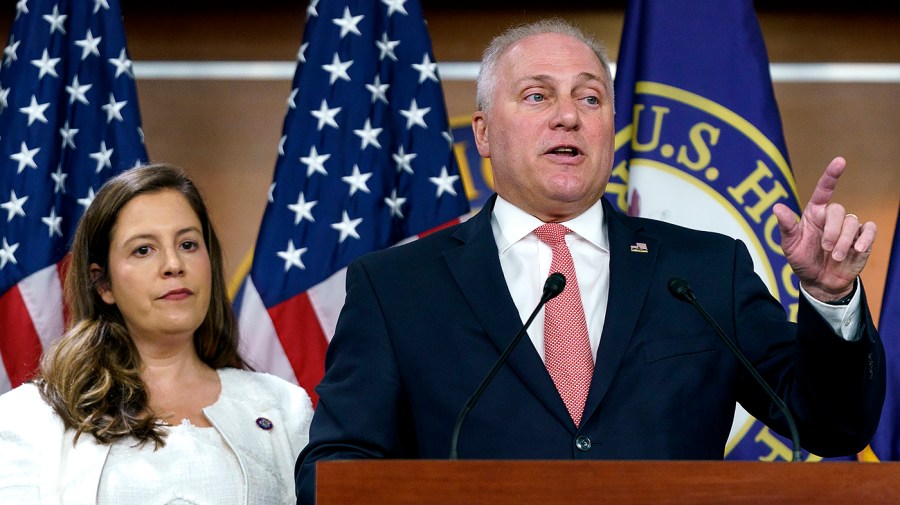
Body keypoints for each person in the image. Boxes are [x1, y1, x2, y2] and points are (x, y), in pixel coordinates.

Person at [294, 18, 885, 503]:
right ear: (482, 132)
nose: (568, 115)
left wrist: (830, 299)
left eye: (589, 96)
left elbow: (830, 425)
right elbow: (335, 468)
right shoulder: (398, 286)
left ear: (608, 127)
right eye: (536, 95)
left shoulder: (704, 270)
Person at [0, 164, 313, 504]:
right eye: (144, 249)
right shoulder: (30, 416)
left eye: (189, 244)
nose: (173, 264)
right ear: (103, 284)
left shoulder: (283, 407)